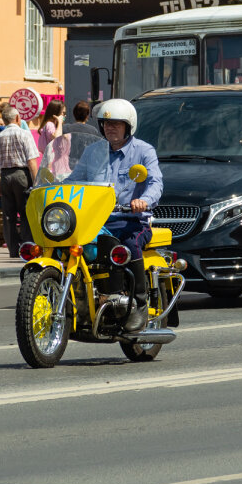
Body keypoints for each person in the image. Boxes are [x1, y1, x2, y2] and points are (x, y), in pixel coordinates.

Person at [98, 98, 163, 333]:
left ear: (129, 126)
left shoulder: (144, 151)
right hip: (97, 220)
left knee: (127, 244)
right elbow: (75, 177)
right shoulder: (94, 152)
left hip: (133, 221)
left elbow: (155, 182)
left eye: (116, 123)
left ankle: (139, 303)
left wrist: (143, 200)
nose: (110, 127)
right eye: (106, 123)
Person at [0, 104, 40, 257]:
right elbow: (31, 161)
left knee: (8, 215)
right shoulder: (24, 134)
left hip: (5, 175)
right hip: (22, 174)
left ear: (4, 121)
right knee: (25, 213)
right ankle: (27, 247)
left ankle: (13, 249)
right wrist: (37, 181)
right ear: (17, 118)